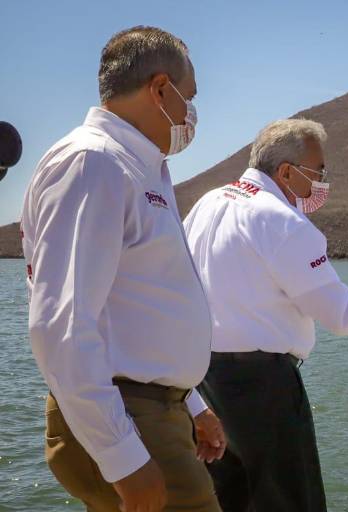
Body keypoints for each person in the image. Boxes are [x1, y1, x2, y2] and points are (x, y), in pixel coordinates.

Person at [21, 26, 226, 512]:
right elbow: (61, 325)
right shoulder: (94, 164)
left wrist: (192, 404)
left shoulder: (138, 167)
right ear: (160, 89)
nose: (191, 113)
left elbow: (138, 314)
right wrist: (123, 460)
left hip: (154, 412)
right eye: (189, 97)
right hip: (129, 416)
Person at [183, 118, 348, 512]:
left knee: (229, 500)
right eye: (318, 172)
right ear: (287, 172)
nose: (321, 184)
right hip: (264, 389)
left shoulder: (208, 203)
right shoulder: (283, 222)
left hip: (204, 380)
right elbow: (343, 315)